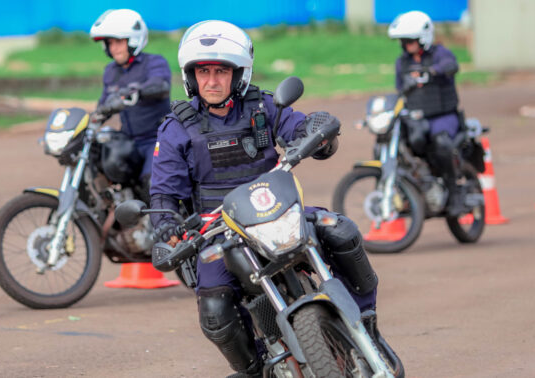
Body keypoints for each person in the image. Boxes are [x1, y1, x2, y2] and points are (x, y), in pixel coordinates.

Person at [149, 20, 379, 377]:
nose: (211, 81)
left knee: (340, 230)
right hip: (220, 232)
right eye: (203, 71)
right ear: (190, 76)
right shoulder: (177, 128)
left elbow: (298, 128)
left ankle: (366, 320)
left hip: (279, 212)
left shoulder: (263, 107)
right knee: (214, 305)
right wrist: (167, 227)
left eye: (221, 71)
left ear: (238, 73)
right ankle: (254, 368)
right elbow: (164, 191)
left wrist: (317, 131)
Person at [388, 10, 464, 217]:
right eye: (404, 41)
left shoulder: (440, 54)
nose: (407, 44)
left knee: (440, 142)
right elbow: (399, 90)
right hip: (415, 117)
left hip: (442, 115)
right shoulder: (401, 63)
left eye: (411, 40)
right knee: (387, 140)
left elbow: (452, 65)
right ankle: (399, 192)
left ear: (423, 38)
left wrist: (431, 72)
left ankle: (455, 191)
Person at [89, 9, 172, 200]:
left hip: (156, 139)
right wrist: (89, 123)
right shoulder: (110, 71)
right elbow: (103, 106)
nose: (113, 48)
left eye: (118, 42)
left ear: (133, 40)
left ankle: (159, 226)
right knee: (96, 161)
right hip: (128, 140)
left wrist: (136, 92)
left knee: (153, 184)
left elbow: (160, 85)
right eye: (110, 43)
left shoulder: (154, 62)